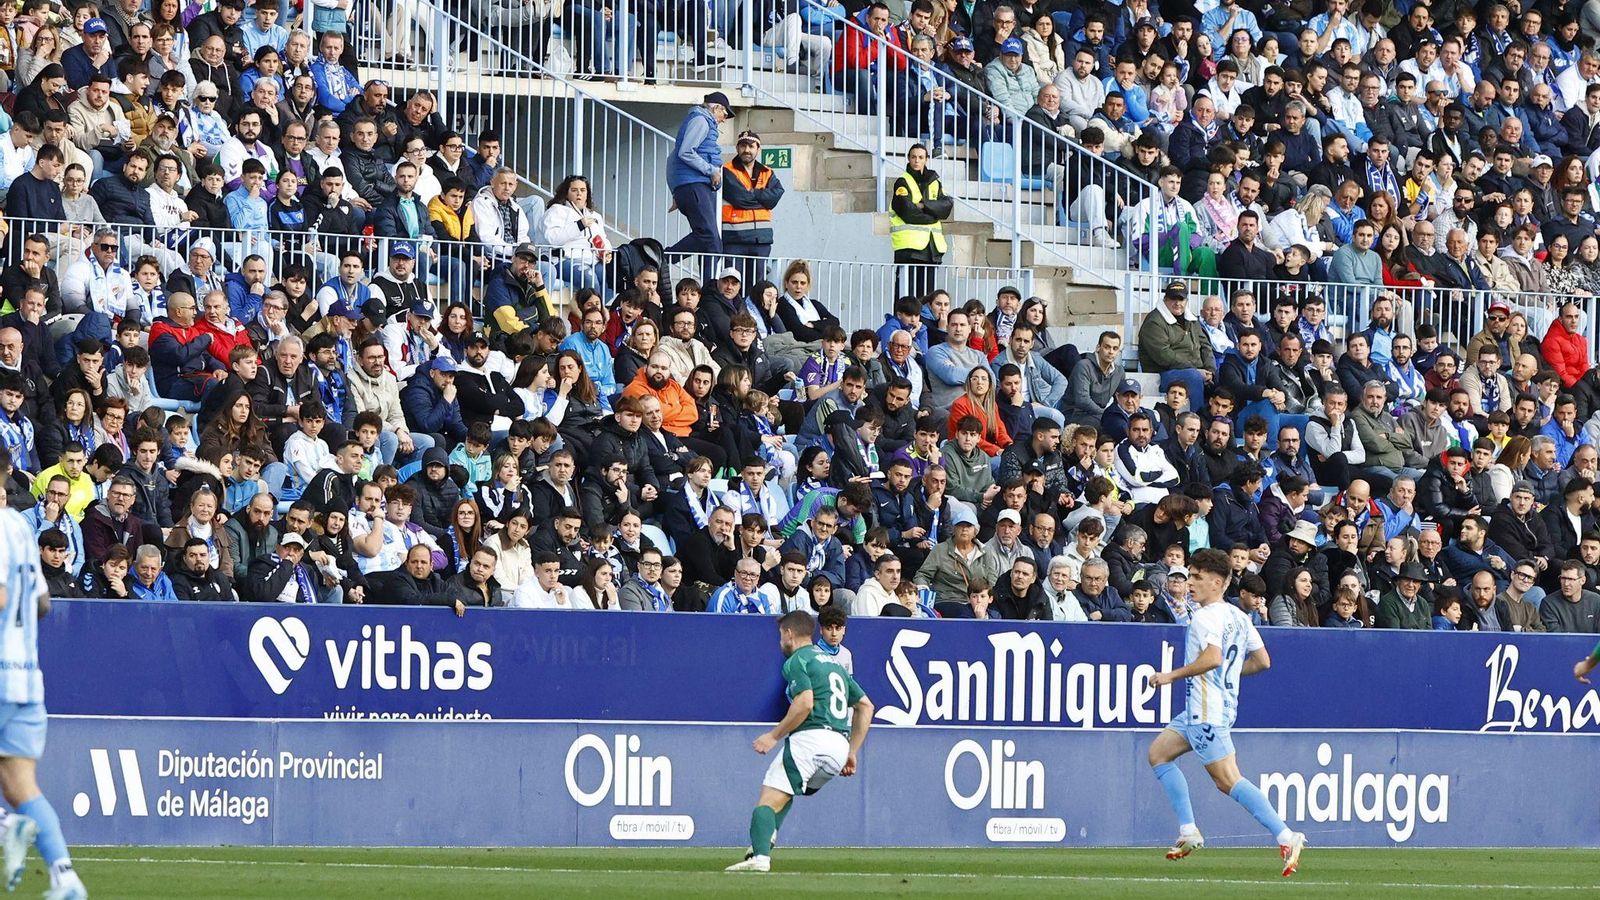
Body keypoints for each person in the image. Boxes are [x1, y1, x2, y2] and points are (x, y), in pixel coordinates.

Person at [1146, 547, 1306, 875]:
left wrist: (1170, 676)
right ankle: (1188, 830)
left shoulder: (1206, 617)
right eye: (1190, 576)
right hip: (1208, 708)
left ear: (1217, 582)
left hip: (1206, 711)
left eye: (1198, 578)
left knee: (1228, 780)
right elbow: (1262, 661)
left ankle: (1287, 834)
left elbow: (1213, 658)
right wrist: (1228, 676)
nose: (1190, 583)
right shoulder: (1238, 616)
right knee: (1158, 754)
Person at [725, 610, 873, 873]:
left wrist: (773, 736)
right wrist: (852, 752)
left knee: (767, 800)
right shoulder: (834, 663)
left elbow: (804, 703)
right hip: (838, 745)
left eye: (781, 635)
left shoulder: (797, 660)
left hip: (811, 739)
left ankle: (760, 858)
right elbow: (865, 706)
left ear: (789, 634)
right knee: (787, 790)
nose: (780, 641)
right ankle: (767, 838)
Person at [0, 506, 88, 897]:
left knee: (17, 798)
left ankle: (7, 827)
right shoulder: (20, 526)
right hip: (26, 676)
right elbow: (42, 604)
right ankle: (65, 877)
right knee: (21, 786)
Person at [666, 92, 731, 284]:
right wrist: (711, 170)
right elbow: (684, 152)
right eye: (725, 114)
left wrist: (676, 189)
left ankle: (708, 285)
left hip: (692, 185)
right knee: (709, 237)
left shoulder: (700, 121)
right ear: (716, 108)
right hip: (693, 185)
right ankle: (661, 259)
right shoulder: (701, 120)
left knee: (711, 241)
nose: (724, 120)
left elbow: (673, 158)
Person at [720, 130, 784, 286]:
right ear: (737, 148)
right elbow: (740, 199)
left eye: (751, 146)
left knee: (757, 287)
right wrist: (763, 198)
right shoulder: (727, 170)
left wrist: (753, 193)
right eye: (743, 146)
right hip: (735, 238)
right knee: (732, 285)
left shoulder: (767, 172)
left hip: (761, 240)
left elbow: (776, 196)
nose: (747, 150)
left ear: (758, 149)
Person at [889, 143, 952, 300]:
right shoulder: (902, 182)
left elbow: (946, 207)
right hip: (909, 250)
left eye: (921, 157)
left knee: (927, 299)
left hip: (931, 249)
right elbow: (907, 212)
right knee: (906, 298)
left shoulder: (935, 182)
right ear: (908, 159)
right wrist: (933, 214)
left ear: (926, 159)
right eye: (913, 157)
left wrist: (924, 205)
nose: (917, 160)